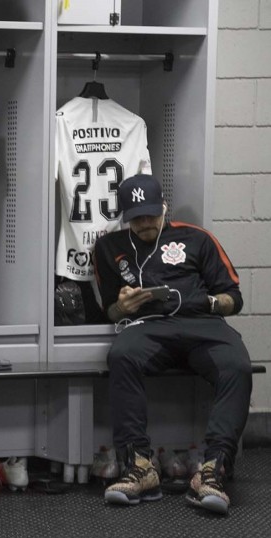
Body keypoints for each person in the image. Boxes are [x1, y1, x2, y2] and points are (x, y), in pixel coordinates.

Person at [93, 173, 251, 516]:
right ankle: (140, 467)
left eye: (151, 214)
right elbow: (110, 309)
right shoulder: (110, 247)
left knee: (237, 365)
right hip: (149, 327)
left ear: (164, 206)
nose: (145, 222)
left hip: (202, 324)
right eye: (136, 217)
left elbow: (234, 299)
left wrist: (208, 303)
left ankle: (213, 469)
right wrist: (124, 307)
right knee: (122, 355)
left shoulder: (196, 239)